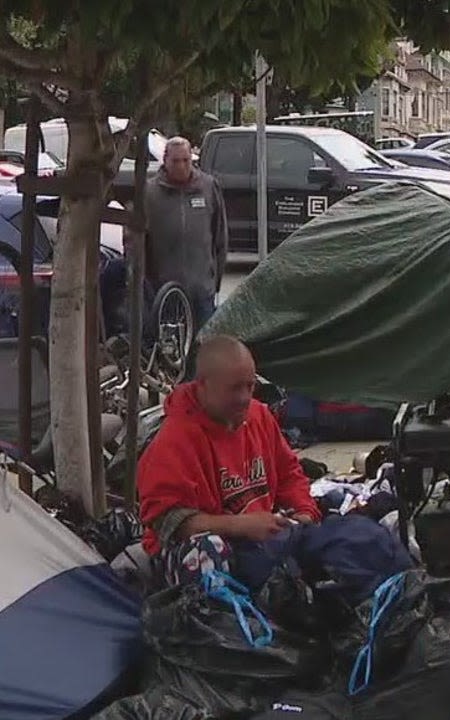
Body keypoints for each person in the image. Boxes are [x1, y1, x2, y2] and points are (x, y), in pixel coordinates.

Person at [137, 335, 411, 594]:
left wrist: (304, 513)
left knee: (358, 538)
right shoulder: (174, 441)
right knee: (207, 552)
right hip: (214, 546)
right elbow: (169, 523)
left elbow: (290, 475)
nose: (245, 397)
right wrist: (241, 526)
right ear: (203, 386)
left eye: (250, 386)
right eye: (234, 388)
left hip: (263, 541)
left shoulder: (259, 416)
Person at [145, 136, 228, 334]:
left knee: (203, 345)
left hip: (202, 290)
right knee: (169, 347)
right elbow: (139, 242)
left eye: (186, 160)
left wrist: (214, 280)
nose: (181, 166)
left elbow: (220, 237)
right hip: (165, 291)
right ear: (165, 160)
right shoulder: (150, 192)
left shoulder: (208, 187)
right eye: (176, 161)